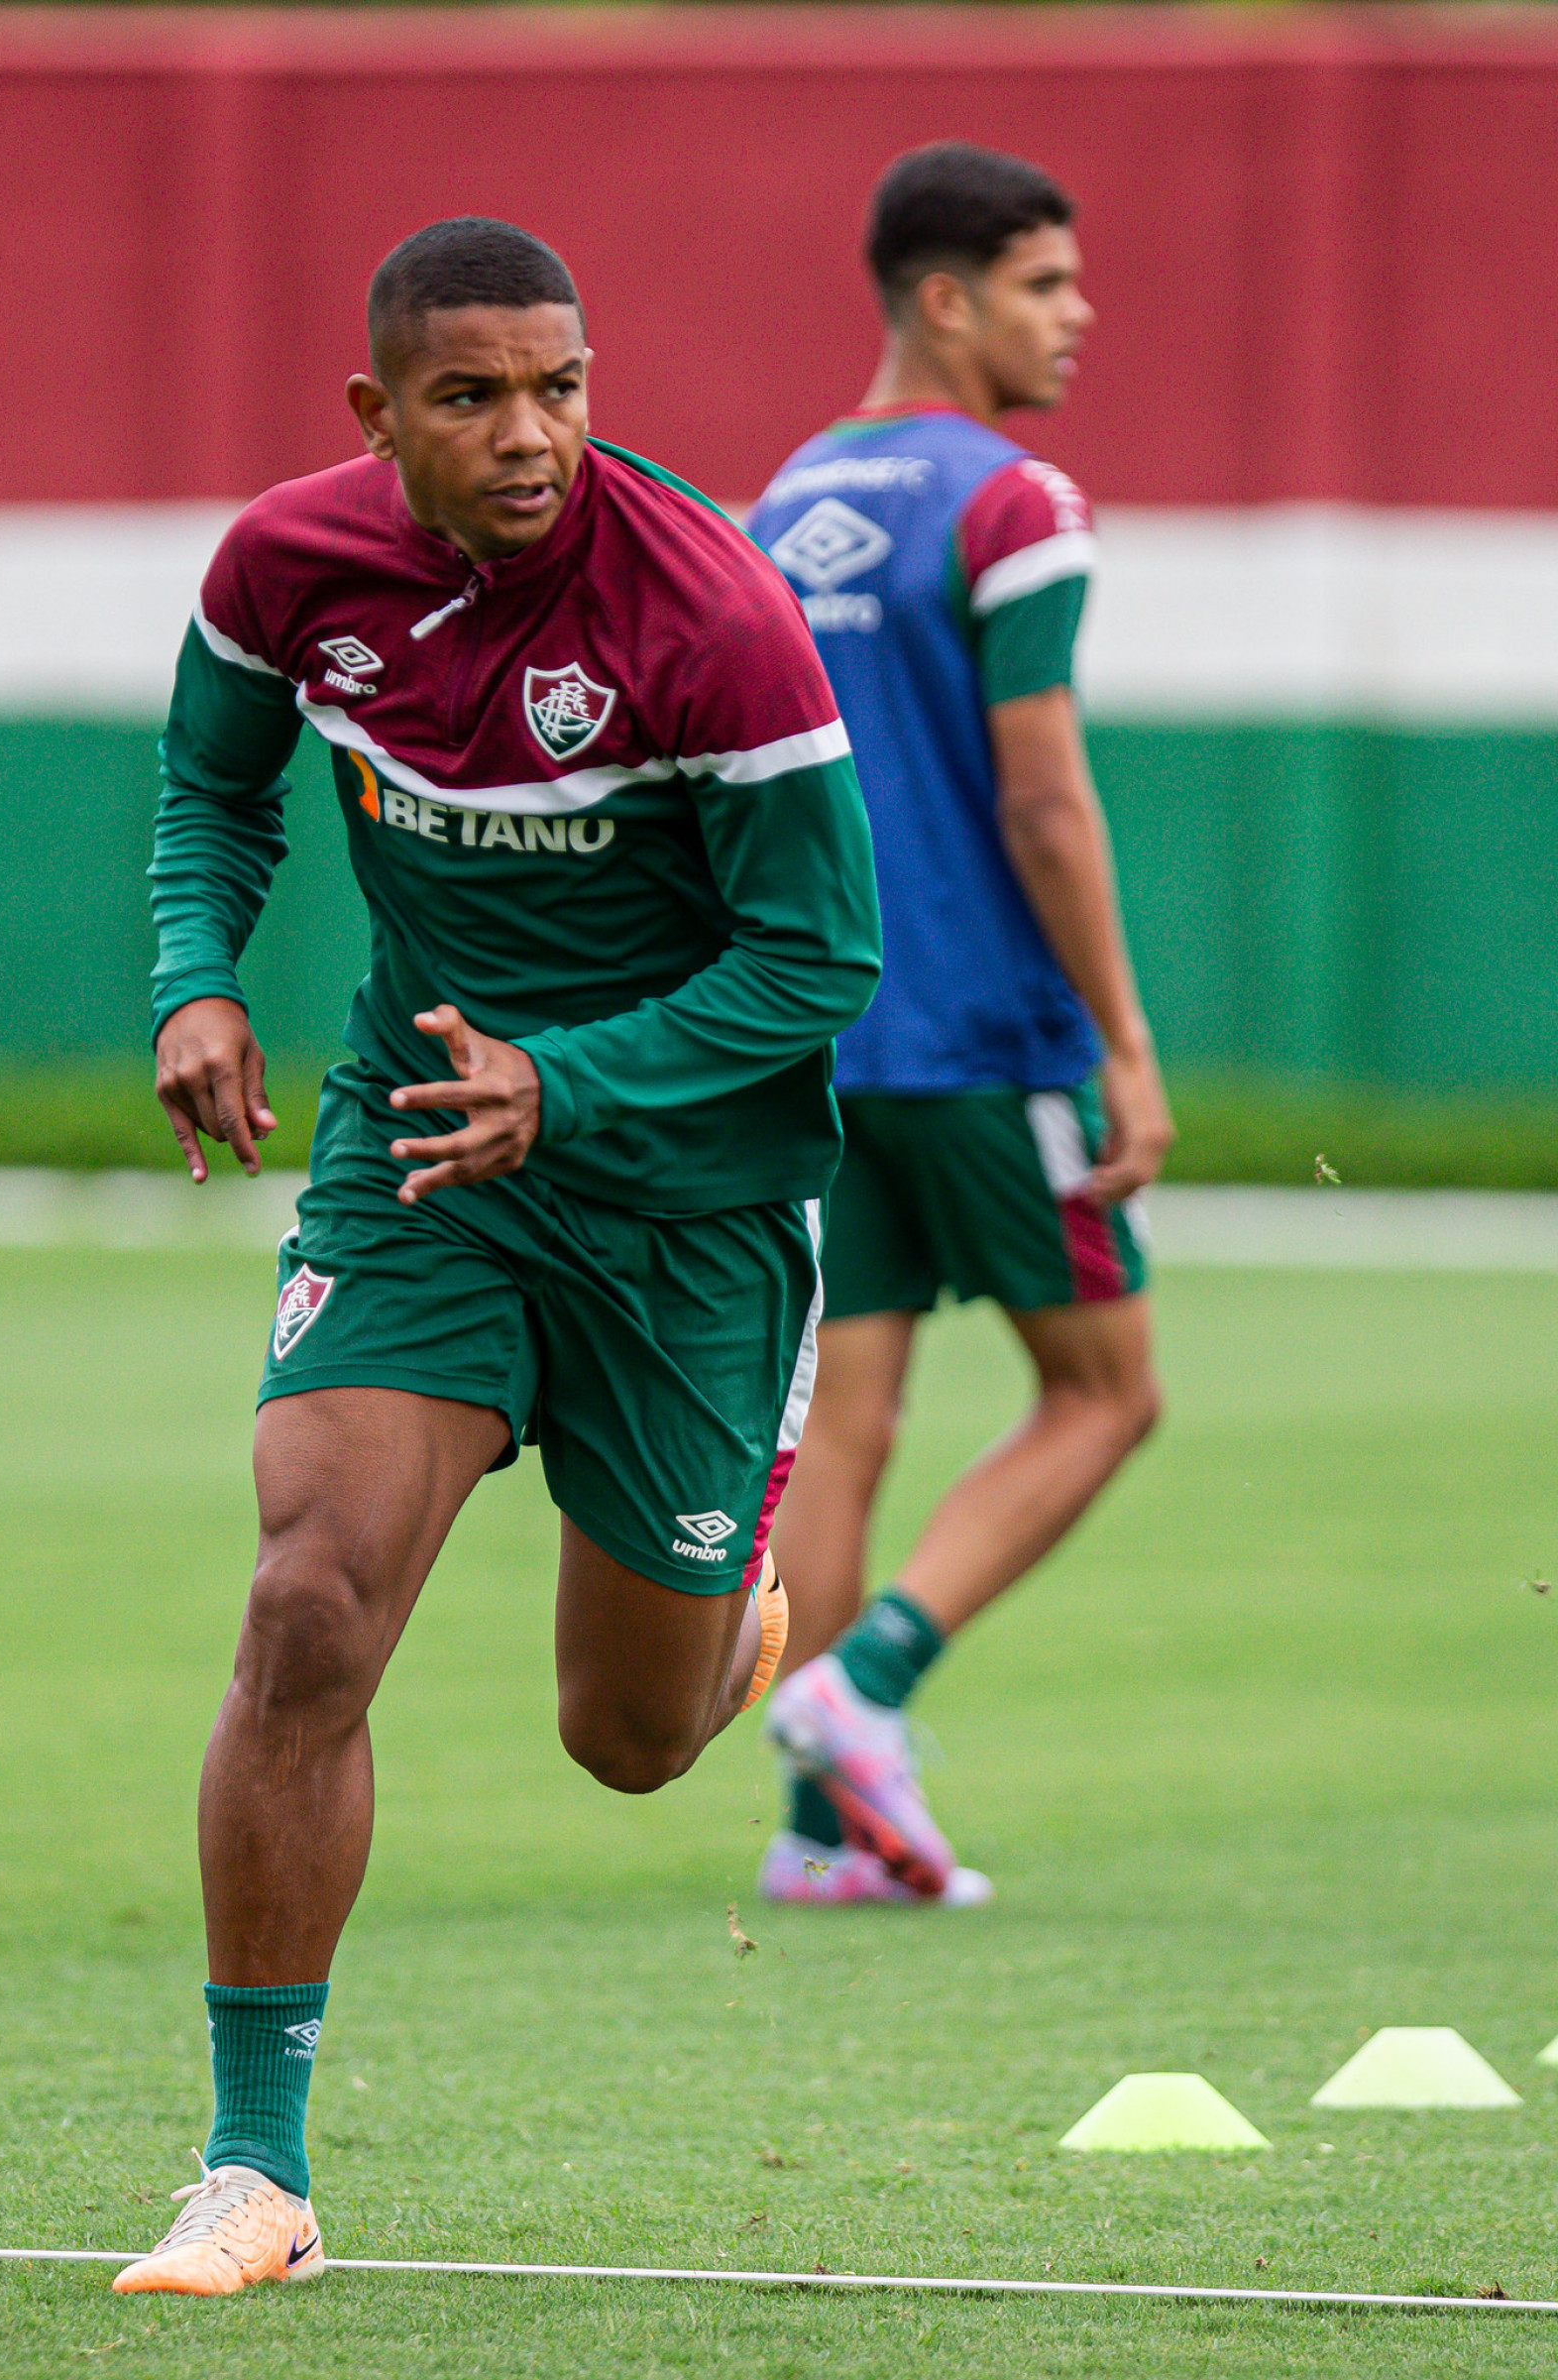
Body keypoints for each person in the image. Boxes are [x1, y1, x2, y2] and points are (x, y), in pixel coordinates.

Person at [111, 216, 881, 2295]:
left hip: (688, 1209)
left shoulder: (712, 613)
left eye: (561, 386)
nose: (530, 434)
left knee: (628, 1741)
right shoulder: (288, 568)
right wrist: (197, 977)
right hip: (424, 1158)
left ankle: (729, 1606)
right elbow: (211, 789)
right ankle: (254, 2168)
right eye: (473, 397)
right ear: (379, 414)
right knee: (307, 1601)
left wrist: (576, 1081)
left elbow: (822, 957)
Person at [746, 143, 1169, 1910]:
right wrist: (1122, 1039)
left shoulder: (778, 507)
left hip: (820, 1043)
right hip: (989, 1036)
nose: (1080, 315)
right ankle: (872, 1680)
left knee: (849, 1417)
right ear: (946, 297)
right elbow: (1044, 798)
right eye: (1045, 283)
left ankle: (819, 1831)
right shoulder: (1016, 502)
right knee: (1108, 1390)